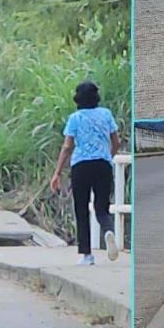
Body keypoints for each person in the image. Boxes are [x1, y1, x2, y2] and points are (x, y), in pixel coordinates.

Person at [50, 81, 120, 265]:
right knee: (102, 208)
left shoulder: (75, 118)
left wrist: (57, 172)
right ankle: (108, 231)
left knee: (81, 209)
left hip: (81, 166)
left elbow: (67, 146)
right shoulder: (106, 114)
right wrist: (107, 157)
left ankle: (87, 255)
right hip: (103, 165)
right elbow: (116, 142)